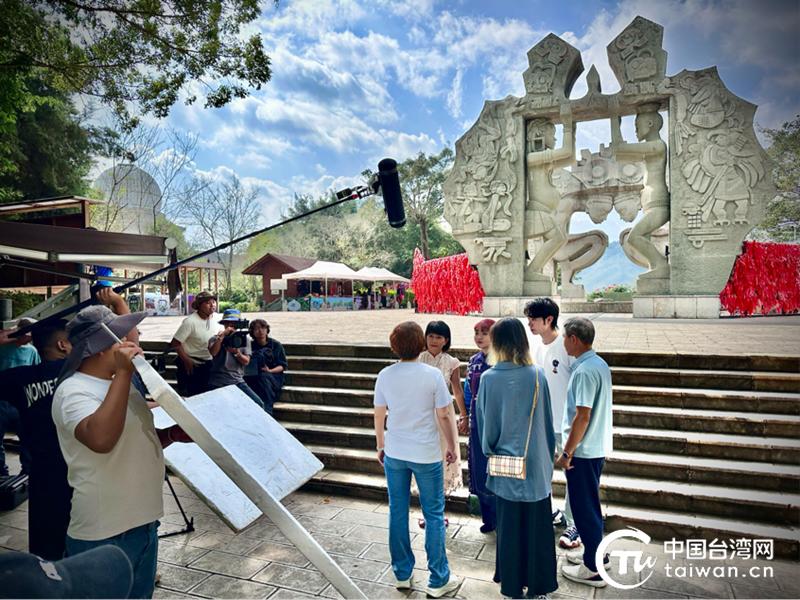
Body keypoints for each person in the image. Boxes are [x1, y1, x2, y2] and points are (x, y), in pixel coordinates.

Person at [52, 303, 193, 600]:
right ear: (100, 347)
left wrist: (169, 435)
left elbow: (131, 437)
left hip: (143, 525)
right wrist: (126, 375)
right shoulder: (72, 390)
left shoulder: (120, 385)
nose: (129, 343)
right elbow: (101, 440)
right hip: (104, 534)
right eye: (120, 337)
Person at [373, 321, 460, 598]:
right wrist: (451, 445)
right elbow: (445, 415)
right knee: (433, 514)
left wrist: (380, 444)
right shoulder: (432, 375)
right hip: (426, 453)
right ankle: (438, 578)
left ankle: (402, 573)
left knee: (397, 510)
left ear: (393, 346)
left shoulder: (385, 374)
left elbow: (379, 414)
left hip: (395, 452)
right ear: (422, 344)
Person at [474, 318, 557, 600]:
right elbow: (546, 423)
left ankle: (512, 587)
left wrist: (492, 452)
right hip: (536, 464)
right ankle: (538, 587)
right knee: (537, 529)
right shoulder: (538, 374)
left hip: (505, 465)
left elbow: (486, 431)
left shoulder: (488, 379)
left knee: (508, 529)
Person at [0, 318, 73, 560]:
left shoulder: (19, 378)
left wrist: (5, 337)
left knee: (47, 541)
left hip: (44, 472)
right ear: (63, 345)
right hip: (77, 467)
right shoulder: (79, 370)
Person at [557, 317, 613, 588]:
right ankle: (598, 554)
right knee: (589, 504)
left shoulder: (584, 371)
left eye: (565, 337)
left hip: (583, 451)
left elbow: (583, 415)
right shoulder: (597, 364)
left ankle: (593, 568)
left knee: (583, 508)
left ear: (574, 339)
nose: (563, 342)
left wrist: (567, 453)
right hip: (594, 447)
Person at [524, 297, 579, 548]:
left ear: (549, 319)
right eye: (528, 318)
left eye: (533, 319)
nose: (529, 323)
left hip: (566, 426)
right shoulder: (535, 346)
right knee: (541, 473)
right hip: (541, 423)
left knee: (573, 477)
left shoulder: (566, 346)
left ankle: (574, 525)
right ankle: (548, 512)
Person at [417, 321, 465, 526]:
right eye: (431, 336)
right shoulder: (417, 358)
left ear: (446, 340)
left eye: (439, 337)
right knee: (423, 462)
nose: (434, 341)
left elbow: (457, 390)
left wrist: (465, 415)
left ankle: (438, 511)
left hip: (444, 417)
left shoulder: (452, 362)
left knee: (442, 463)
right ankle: (426, 511)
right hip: (421, 416)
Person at [462, 318, 497, 534]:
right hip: (476, 424)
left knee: (496, 469)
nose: (479, 337)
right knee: (479, 470)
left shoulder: (501, 361)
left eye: (484, 333)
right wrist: (464, 416)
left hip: (495, 425)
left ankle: (501, 516)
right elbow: (467, 391)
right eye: (476, 332)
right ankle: (488, 517)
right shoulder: (473, 361)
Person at [0, 318, 39, 476]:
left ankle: (27, 472)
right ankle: (2, 473)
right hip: (2, 400)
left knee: (27, 437)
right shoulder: (3, 348)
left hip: (21, 401)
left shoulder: (32, 351)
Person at [207, 308, 263, 408]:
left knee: (258, 404)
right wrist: (222, 336)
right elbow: (213, 352)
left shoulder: (244, 339)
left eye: (233, 323)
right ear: (223, 323)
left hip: (237, 380)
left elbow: (246, 362)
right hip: (218, 381)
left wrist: (237, 353)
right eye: (228, 323)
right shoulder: (215, 338)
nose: (230, 325)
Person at [170, 290, 222, 396]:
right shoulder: (190, 322)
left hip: (212, 364)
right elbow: (175, 343)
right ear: (199, 305)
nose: (212, 305)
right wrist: (186, 360)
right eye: (207, 303)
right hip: (194, 365)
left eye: (213, 302)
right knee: (195, 396)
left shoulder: (218, 318)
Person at [244, 319, 287, 415]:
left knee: (263, 378)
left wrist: (270, 371)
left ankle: (267, 411)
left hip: (273, 375)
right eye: (257, 328)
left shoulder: (275, 345)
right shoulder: (250, 345)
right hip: (254, 374)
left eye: (263, 327)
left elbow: (282, 366)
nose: (260, 331)